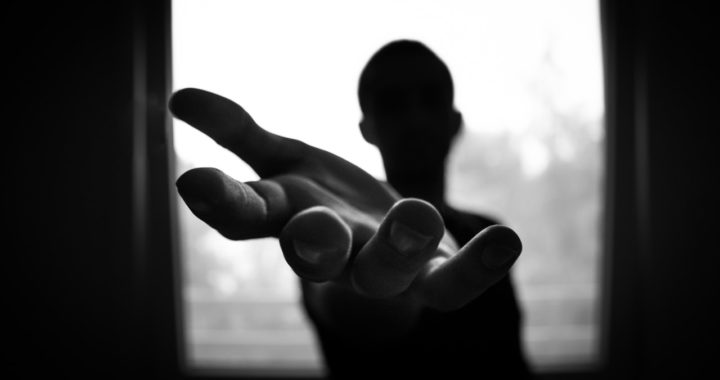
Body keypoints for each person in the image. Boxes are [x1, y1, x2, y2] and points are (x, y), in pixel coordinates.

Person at [170, 39, 531, 379]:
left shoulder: (486, 233)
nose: (414, 116)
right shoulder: (340, 236)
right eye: (392, 102)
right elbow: (352, 311)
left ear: (455, 122)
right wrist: (373, 283)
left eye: (431, 97)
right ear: (367, 128)